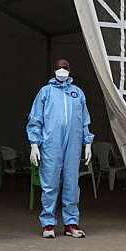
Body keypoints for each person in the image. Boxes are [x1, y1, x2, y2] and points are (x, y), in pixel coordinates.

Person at [26, 59, 94, 239]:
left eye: (65, 67)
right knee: (50, 183)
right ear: (54, 70)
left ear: (70, 71)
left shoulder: (77, 93)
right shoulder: (45, 92)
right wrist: (34, 143)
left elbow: (84, 120)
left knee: (72, 184)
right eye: (59, 67)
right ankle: (48, 224)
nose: (62, 70)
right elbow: (35, 119)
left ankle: (71, 224)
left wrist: (88, 143)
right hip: (51, 144)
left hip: (73, 144)